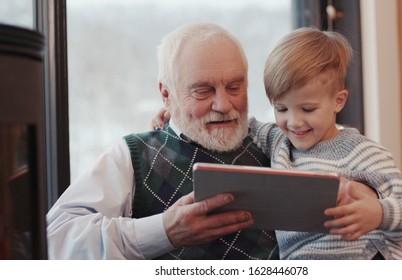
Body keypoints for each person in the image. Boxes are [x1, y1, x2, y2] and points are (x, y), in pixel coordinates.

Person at [47, 23, 377, 260]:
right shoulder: (132, 155)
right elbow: (54, 241)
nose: (224, 105)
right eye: (203, 91)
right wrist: (164, 231)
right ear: (166, 93)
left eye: (235, 87)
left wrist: (369, 201)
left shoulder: (283, 142)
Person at [250, 27, 402, 259]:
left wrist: (378, 213)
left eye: (308, 109)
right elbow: (241, 123)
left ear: (338, 101)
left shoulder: (362, 152)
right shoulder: (278, 142)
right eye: (281, 109)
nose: (293, 122)